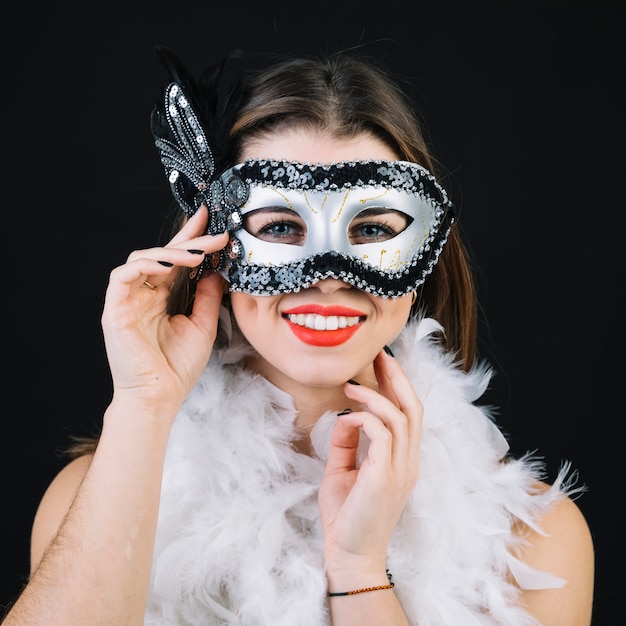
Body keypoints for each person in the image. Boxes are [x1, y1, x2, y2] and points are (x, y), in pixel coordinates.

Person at [1, 46, 594, 626]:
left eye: (372, 229)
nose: (330, 278)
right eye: (280, 226)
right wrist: (142, 406)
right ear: (213, 248)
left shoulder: (533, 542)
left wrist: (358, 567)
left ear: (425, 256)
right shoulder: (89, 498)